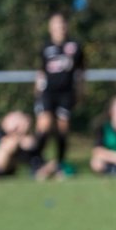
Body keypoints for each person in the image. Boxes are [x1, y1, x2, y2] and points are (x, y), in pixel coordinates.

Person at [34, 12, 85, 175]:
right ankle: (36, 161)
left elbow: (81, 72)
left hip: (66, 93)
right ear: (50, 28)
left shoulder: (75, 46)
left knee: (63, 128)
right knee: (45, 124)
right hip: (48, 92)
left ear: (66, 26)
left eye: (62, 24)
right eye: (56, 24)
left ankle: (60, 163)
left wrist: (81, 91)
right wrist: (37, 92)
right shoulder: (45, 47)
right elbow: (41, 72)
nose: (60, 28)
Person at [0, 111, 45, 178]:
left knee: (25, 144)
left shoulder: (24, 139)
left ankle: (39, 169)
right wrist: (21, 139)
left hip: (8, 170)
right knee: (12, 143)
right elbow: (4, 140)